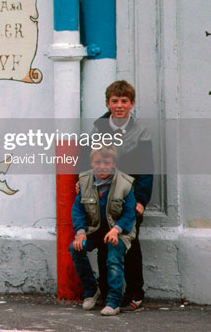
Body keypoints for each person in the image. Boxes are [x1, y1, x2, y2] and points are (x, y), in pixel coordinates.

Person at [90, 80, 153, 311]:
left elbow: (146, 168)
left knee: (130, 245)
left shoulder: (140, 131)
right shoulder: (99, 127)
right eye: (114, 101)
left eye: (124, 101)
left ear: (131, 104)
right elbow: (90, 161)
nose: (119, 105)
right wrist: (84, 186)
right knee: (104, 243)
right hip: (104, 196)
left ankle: (135, 292)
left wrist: (141, 200)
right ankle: (107, 292)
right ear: (108, 103)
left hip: (129, 196)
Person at [69, 146, 137, 316]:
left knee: (114, 257)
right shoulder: (85, 181)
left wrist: (116, 229)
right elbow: (77, 209)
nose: (102, 166)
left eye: (106, 162)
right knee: (75, 248)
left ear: (113, 164)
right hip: (94, 230)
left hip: (119, 232)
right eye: (97, 162)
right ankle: (91, 291)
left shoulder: (125, 183)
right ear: (92, 163)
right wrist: (81, 232)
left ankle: (114, 301)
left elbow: (130, 212)